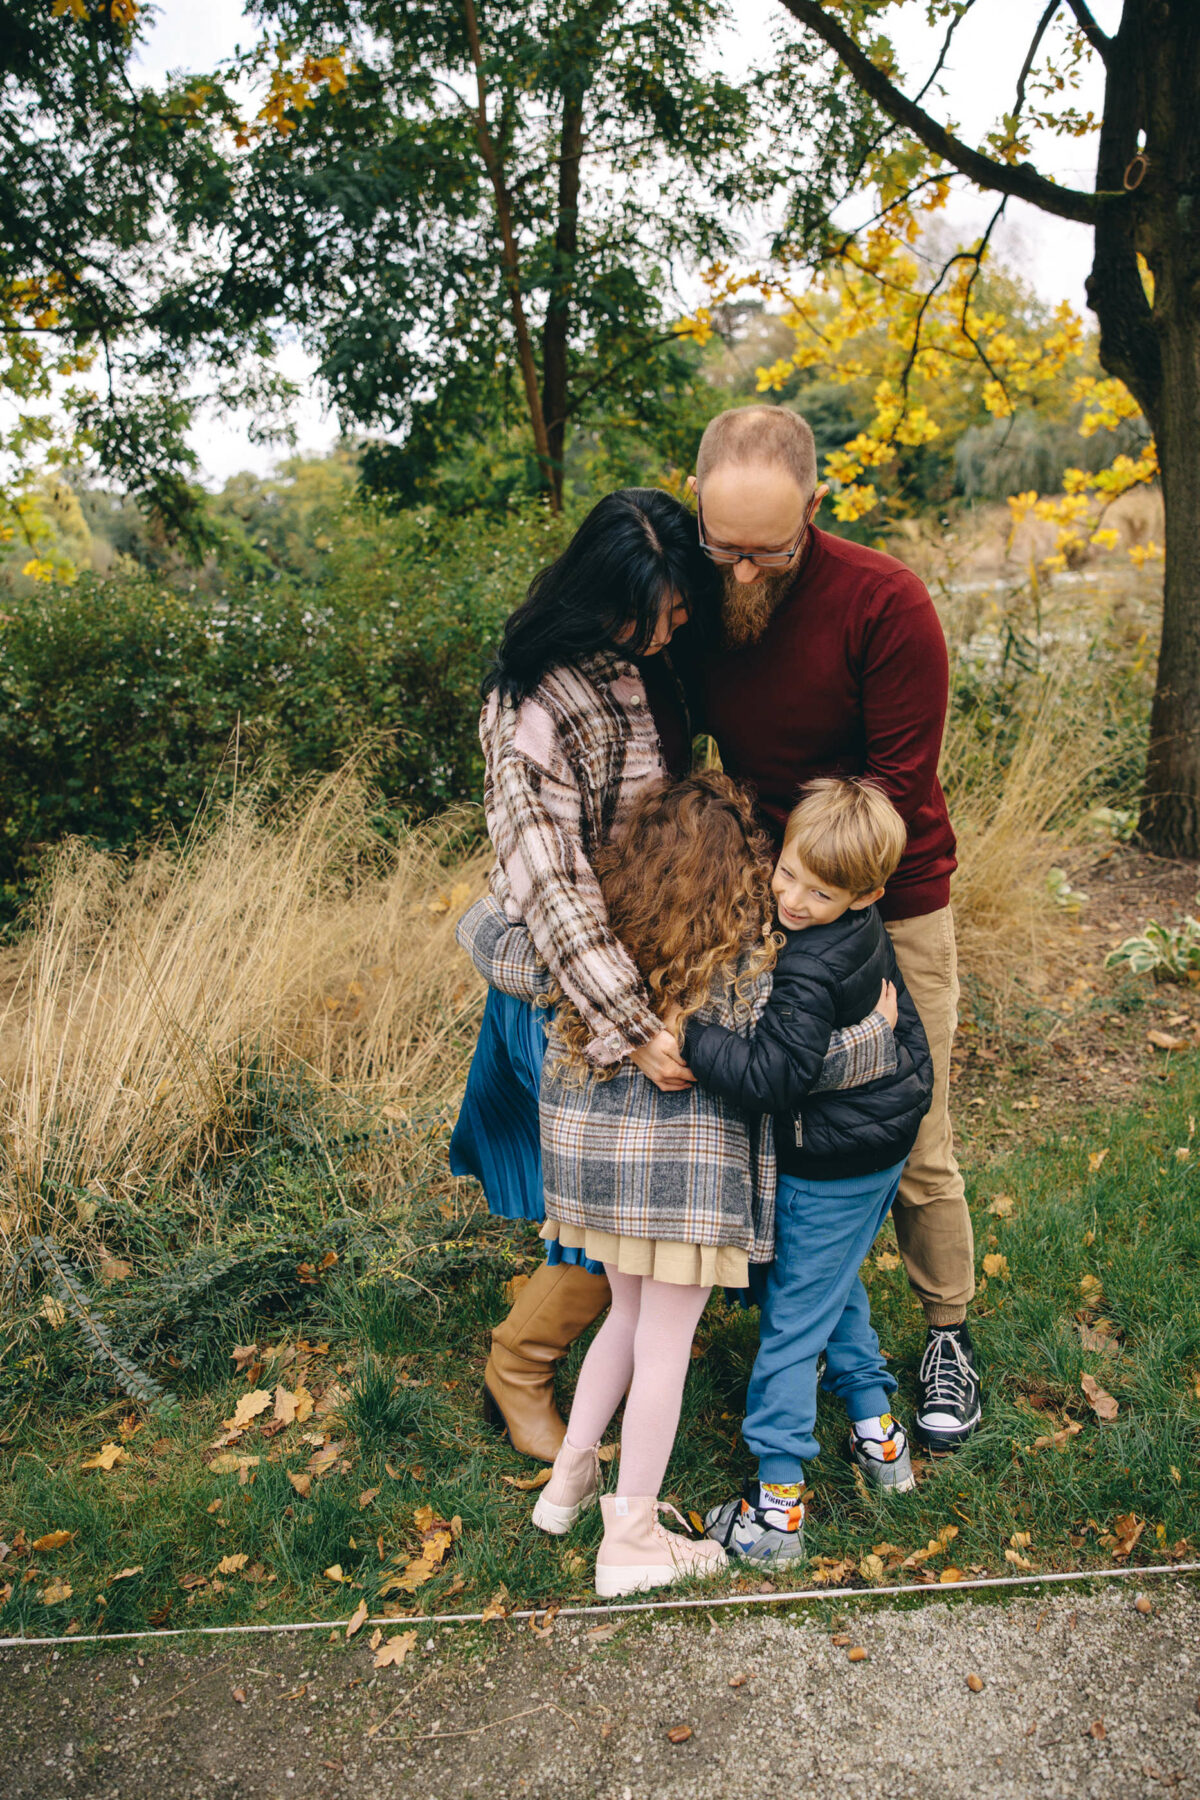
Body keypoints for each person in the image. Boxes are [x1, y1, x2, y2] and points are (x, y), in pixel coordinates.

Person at [450, 487, 895, 1463]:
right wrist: (632, 1023)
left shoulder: (650, 660)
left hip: (666, 949)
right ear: (595, 599)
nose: (671, 628)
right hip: (589, 980)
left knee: (635, 1205)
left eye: (679, 608)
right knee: (615, 1212)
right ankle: (517, 1369)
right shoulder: (531, 704)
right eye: (652, 613)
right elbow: (551, 881)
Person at [682, 406, 982, 1454]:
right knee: (786, 1122)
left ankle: (946, 1331)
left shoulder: (885, 604)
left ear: (816, 508)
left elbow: (893, 791)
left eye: (769, 549)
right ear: (698, 504)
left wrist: (838, 931)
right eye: (726, 547)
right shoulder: (696, 596)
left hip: (890, 897)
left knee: (909, 1129)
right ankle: (812, 1323)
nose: (746, 574)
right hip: (769, 901)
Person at [468, 774, 834, 1595]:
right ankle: (629, 1535)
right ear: (742, 871)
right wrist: (877, 1031)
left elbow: (482, 931)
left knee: (627, 1322)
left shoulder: (586, 945)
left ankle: (569, 1485)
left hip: (596, 1180)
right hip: (687, 1190)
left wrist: (529, 868)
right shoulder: (748, 956)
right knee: (662, 1348)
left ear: (631, 855)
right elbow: (795, 1062)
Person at [660, 778, 932, 1565]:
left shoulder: (810, 966)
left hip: (833, 1159)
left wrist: (694, 1036)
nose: (796, 898)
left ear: (869, 892)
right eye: (789, 873)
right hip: (875, 1144)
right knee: (834, 1286)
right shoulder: (854, 925)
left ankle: (776, 1513)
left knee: (790, 1322)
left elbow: (775, 1076)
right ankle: (882, 1446)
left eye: (822, 890)